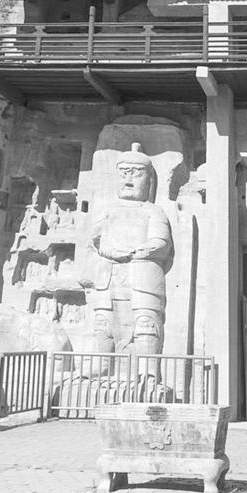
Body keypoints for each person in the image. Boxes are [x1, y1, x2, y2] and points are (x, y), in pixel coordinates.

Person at [83, 143, 173, 356]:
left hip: (143, 276)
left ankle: (147, 369)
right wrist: (113, 253)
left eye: (137, 174)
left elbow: (161, 242)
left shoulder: (154, 211)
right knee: (103, 323)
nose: (129, 179)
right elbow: (97, 241)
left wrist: (134, 253)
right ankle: (103, 363)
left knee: (146, 324)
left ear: (149, 181)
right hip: (109, 275)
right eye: (124, 173)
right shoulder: (108, 210)